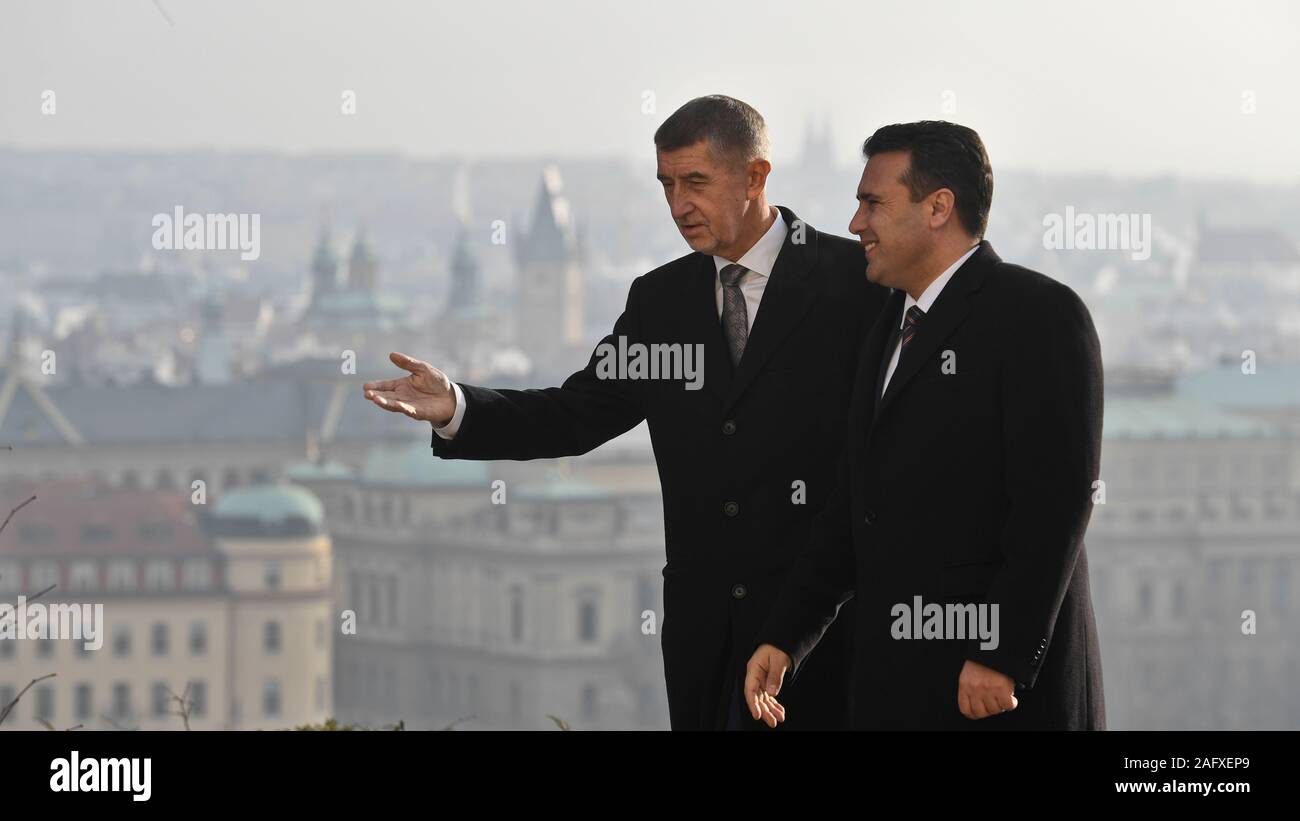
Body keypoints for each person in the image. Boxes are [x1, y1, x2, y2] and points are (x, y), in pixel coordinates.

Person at [363, 95, 889, 730]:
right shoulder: (660, 301)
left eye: (696, 182)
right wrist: (459, 406)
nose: (677, 206)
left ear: (756, 176)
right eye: (667, 185)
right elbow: (578, 414)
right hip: (704, 637)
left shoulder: (859, 284)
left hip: (827, 633)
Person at [746, 120, 1106, 730]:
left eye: (873, 202)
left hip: (997, 697)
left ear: (939, 207)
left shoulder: (1039, 316)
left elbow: (1054, 505)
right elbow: (854, 506)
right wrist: (786, 636)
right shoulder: (889, 323)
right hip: (897, 690)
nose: (856, 222)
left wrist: (1001, 654)